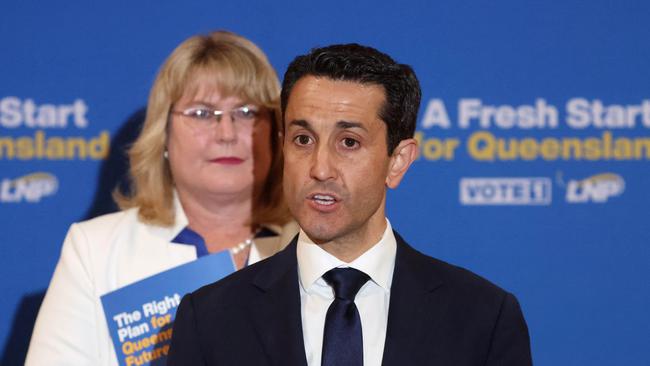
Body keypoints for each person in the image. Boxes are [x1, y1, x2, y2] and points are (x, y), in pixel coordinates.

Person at [167, 43, 532, 366]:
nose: (320, 168)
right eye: (303, 138)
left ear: (398, 161)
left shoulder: (483, 318)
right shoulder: (210, 319)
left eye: (349, 143)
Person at [25, 30, 297, 366]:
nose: (226, 132)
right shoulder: (96, 250)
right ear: (164, 134)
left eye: (246, 112)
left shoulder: (312, 244)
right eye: (201, 113)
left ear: (276, 132)